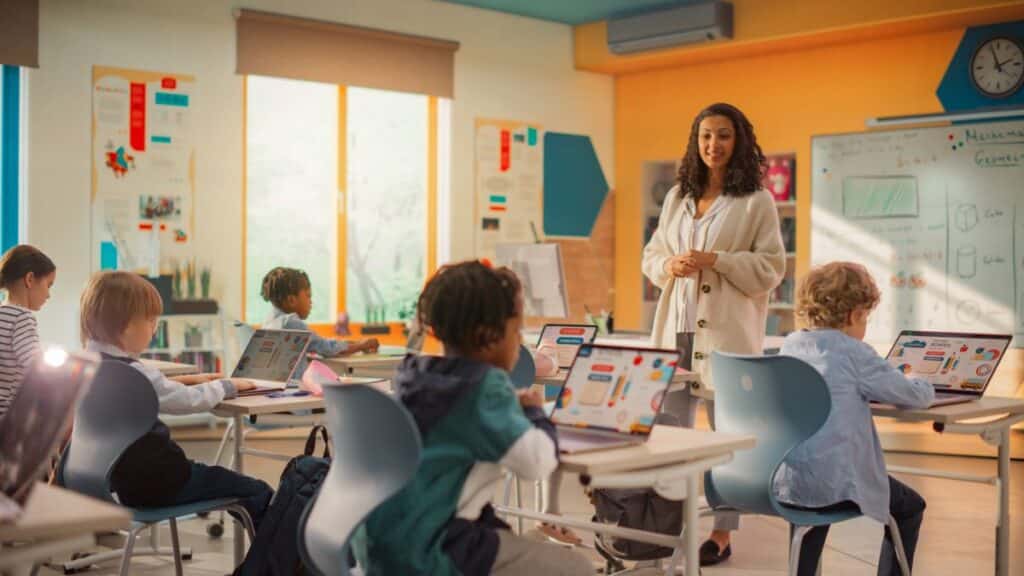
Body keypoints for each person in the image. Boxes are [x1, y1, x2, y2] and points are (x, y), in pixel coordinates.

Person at [358, 261, 592, 576]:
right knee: (574, 567)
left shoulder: (415, 375)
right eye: (517, 330)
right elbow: (537, 463)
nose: (518, 340)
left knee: (512, 540)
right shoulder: (483, 389)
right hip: (431, 551)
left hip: (377, 545)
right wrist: (536, 412)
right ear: (490, 335)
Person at [641, 102, 786, 565]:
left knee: (726, 438)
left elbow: (770, 269)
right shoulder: (678, 197)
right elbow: (652, 255)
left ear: (738, 140)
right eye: (705, 135)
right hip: (674, 333)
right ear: (695, 140)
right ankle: (667, 530)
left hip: (725, 339)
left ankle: (722, 534)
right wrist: (669, 264)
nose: (713, 145)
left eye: (723, 135)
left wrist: (715, 260)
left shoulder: (756, 201)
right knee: (667, 434)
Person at [80, 271, 273, 527]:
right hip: (165, 482)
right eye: (151, 321)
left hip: (126, 484)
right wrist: (227, 385)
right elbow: (189, 401)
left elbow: (155, 389)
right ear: (126, 326)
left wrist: (193, 379)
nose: (155, 328)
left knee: (215, 476)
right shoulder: (137, 374)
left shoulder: (89, 365)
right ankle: (269, 564)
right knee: (257, 490)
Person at [778, 262, 932, 575]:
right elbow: (914, 396)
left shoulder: (791, 344)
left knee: (809, 508)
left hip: (787, 481)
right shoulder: (855, 352)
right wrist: (923, 380)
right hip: (836, 484)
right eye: (866, 317)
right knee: (911, 506)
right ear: (854, 315)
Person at [260, 267, 378, 374]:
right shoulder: (291, 322)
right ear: (291, 300)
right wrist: (363, 345)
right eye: (308, 296)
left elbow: (320, 344)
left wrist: (356, 342)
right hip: (297, 389)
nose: (311, 302)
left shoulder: (269, 321)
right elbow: (329, 349)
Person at [0, 245, 56, 420]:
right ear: (30, 279)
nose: (49, 295)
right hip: (9, 417)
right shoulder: (22, 317)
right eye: (49, 285)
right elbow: (35, 365)